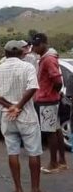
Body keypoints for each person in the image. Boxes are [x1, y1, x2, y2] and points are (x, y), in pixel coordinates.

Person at [0, 40, 53, 192]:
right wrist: (18, 106)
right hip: (27, 116)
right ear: (20, 53)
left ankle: (18, 191)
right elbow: (32, 87)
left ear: (6, 53)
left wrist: (9, 106)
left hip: (7, 116)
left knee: (13, 152)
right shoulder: (27, 67)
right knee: (34, 152)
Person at [31, 33, 68, 173]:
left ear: (43, 44)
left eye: (36, 45)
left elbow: (57, 80)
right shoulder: (46, 58)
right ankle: (62, 161)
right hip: (50, 100)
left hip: (47, 101)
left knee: (49, 131)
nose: (34, 48)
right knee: (56, 129)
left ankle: (53, 164)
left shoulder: (48, 60)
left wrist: (52, 93)